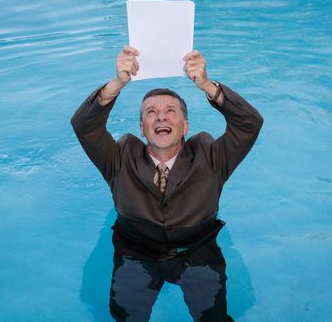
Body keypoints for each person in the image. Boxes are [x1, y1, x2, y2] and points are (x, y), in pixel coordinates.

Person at [71, 45, 263, 321]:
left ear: (185, 126)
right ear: (141, 128)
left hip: (197, 253)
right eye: (151, 112)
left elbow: (249, 124)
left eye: (171, 111)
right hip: (135, 254)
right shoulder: (118, 159)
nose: (161, 116)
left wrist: (208, 86)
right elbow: (84, 125)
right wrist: (117, 84)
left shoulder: (212, 157)